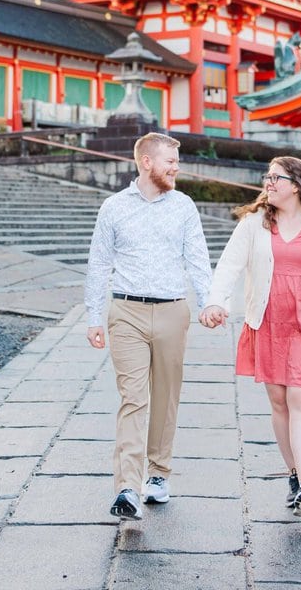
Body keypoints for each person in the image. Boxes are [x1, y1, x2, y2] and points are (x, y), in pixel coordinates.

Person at [200, 155, 301, 518]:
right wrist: (216, 302)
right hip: (269, 321)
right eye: (267, 176)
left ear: (297, 185)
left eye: (276, 177)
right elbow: (229, 265)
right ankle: (293, 472)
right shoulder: (254, 223)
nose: (268, 183)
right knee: (280, 402)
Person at [85, 132, 213, 521]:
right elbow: (98, 263)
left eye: (177, 162)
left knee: (166, 396)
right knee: (133, 398)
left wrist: (208, 303)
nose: (176, 168)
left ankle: (157, 474)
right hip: (127, 312)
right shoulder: (113, 207)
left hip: (174, 311)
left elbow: (198, 259)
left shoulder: (184, 207)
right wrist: (94, 317)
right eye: (170, 161)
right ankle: (126, 486)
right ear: (146, 163)